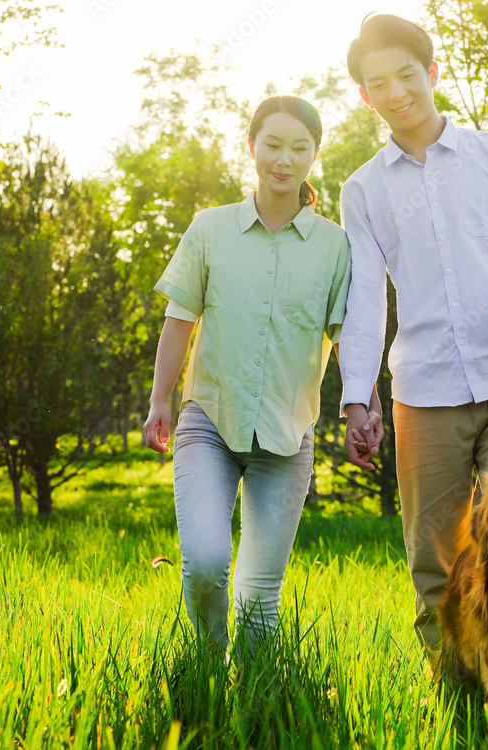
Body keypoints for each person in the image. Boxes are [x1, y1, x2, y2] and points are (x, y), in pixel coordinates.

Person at [337, 15, 488, 655]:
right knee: (436, 561)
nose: (396, 92)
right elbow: (363, 300)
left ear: (433, 73)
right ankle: (454, 697)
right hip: (424, 392)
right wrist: (358, 397)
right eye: (378, 83)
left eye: (407, 75)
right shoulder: (363, 190)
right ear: (365, 96)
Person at [142, 96, 380, 652]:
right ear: (251, 147)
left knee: (259, 595)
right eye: (272, 144)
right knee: (203, 565)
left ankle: (254, 705)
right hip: (208, 423)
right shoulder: (210, 229)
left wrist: (361, 409)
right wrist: (159, 400)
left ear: (314, 155)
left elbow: (352, 340)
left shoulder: (336, 246)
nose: (284, 158)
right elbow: (179, 320)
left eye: (299, 148)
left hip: (287, 435)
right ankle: (203, 678)